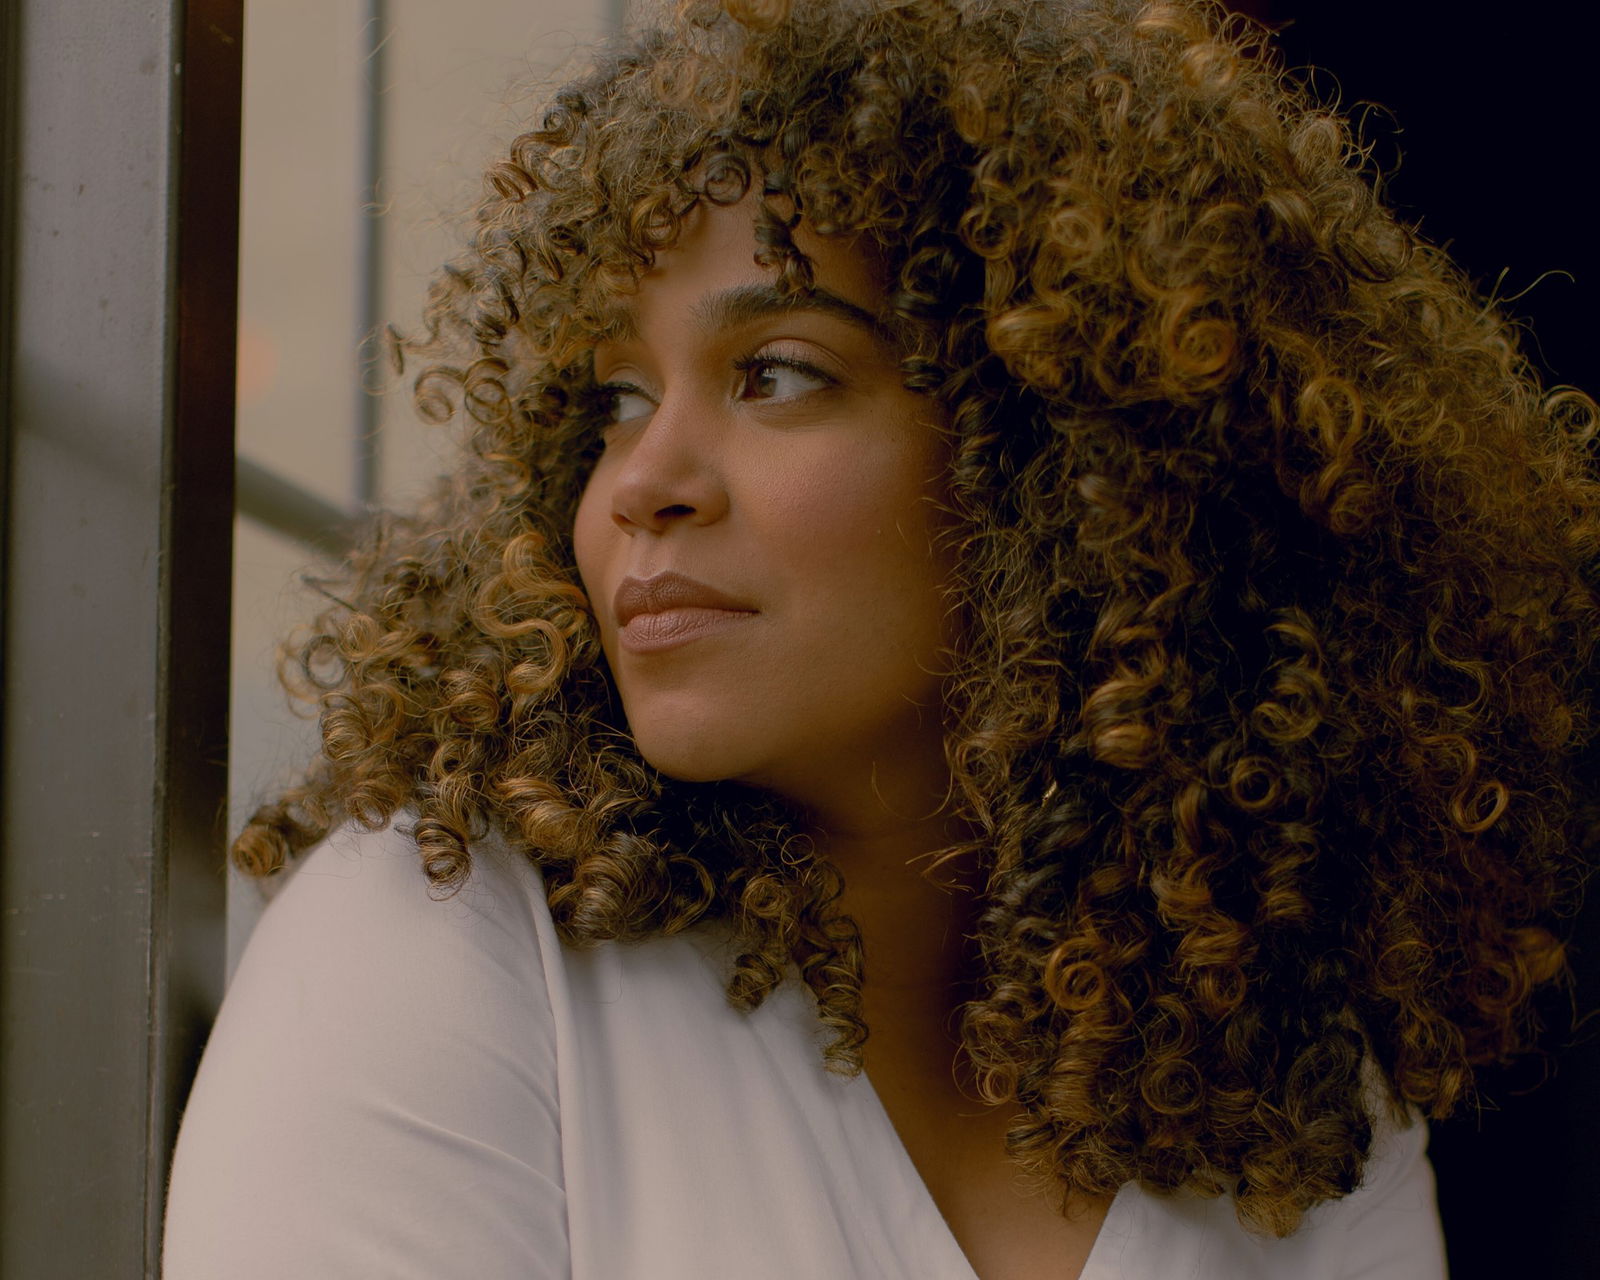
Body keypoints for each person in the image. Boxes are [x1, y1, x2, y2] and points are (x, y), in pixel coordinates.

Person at [162, 0, 1600, 1276]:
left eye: (775, 374)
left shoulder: (1292, 1099)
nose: (641, 479)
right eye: (608, 401)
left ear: (1070, 462)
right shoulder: (439, 953)